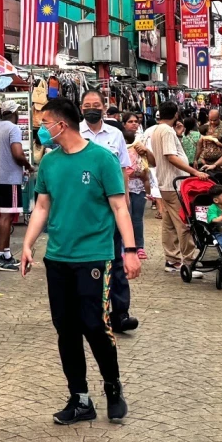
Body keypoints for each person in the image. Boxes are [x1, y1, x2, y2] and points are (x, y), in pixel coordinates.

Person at [20, 95, 140, 424]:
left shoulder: (102, 160)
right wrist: (28, 244)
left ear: (61, 125)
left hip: (94, 258)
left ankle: (113, 388)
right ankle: (80, 398)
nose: (41, 130)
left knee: (95, 326)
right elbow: (42, 206)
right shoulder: (50, 162)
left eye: (44, 124)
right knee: (66, 329)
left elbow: (120, 208)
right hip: (58, 257)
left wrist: (130, 251)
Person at [78, 89, 138, 332]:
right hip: (83, 210)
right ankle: (88, 313)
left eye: (96, 104)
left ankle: (120, 313)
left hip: (111, 208)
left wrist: (125, 200)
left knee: (114, 259)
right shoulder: (74, 134)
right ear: (81, 108)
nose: (92, 108)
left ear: (104, 107)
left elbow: (124, 169)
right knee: (84, 263)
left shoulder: (115, 134)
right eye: (87, 105)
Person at [143, 101, 196, 272]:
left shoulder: (160, 130)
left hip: (167, 182)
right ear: (176, 114)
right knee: (183, 222)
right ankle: (189, 260)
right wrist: (194, 172)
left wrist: (178, 135)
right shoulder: (165, 130)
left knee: (169, 222)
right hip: (173, 183)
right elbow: (170, 156)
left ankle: (172, 259)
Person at [0, 106, 32, 271]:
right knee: (7, 217)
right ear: (15, 113)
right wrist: (28, 165)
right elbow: (17, 153)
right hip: (10, 179)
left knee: (5, 215)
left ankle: (6, 254)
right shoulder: (13, 129)